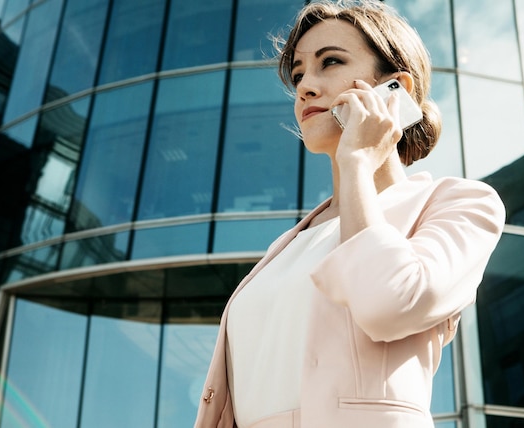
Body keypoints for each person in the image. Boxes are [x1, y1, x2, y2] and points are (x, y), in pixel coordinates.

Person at [194, 1, 505, 427]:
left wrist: (358, 161)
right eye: (299, 73)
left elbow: (390, 302)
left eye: (331, 62)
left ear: (394, 88)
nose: (305, 86)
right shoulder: (287, 245)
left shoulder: (460, 204)